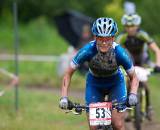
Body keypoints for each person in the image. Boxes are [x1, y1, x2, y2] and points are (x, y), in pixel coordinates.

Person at [59, 17, 139, 130]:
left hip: (115, 83)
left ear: (113, 38)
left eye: (108, 38)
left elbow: (134, 78)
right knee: (94, 127)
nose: (104, 42)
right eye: (100, 38)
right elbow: (68, 74)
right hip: (94, 84)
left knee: (118, 124)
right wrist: (64, 97)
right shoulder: (87, 50)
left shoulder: (120, 52)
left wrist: (133, 94)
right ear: (95, 37)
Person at [116, 13, 160, 120]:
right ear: (125, 26)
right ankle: (126, 108)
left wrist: (158, 64)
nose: (130, 29)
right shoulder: (122, 36)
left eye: (132, 26)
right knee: (127, 83)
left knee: (144, 83)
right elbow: (115, 52)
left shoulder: (142, 34)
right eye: (128, 26)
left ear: (137, 25)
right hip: (130, 60)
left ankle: (149, 107)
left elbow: (156, 50)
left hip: (143, 60)